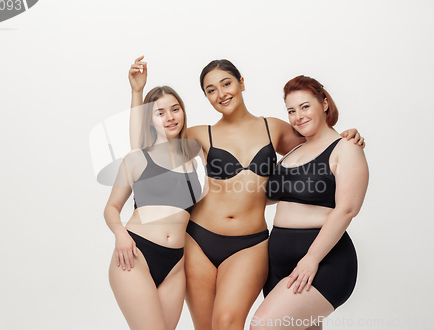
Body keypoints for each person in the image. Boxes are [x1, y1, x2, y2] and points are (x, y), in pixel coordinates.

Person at [182, 59, 365, 330]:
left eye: (226, 83)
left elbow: (323, 150)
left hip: (280, 249)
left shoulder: (280, 130)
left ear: (241, 83)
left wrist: (348, 134)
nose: (220, 93)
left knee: (246, 324)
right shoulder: (201, 134)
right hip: (222, 242)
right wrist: (137, 94)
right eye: (210, 90)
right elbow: (151, 152)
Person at [250, 75, 369, 330]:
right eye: (291, 110)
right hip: (279, 263)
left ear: (324, 103)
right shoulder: (294, 151)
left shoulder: (346, 147)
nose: (297, 116)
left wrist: (311, 258)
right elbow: (266, 196)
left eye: (305, 106)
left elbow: (347, 209)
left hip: (322, 261)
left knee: (263, 326)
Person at [104, 61, 203, 330]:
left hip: (175, 264)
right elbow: (111, 208)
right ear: (151, 119)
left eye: (175, 109)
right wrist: (121, 236)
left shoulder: (195, 159)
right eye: (160, 113)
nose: (170, 117)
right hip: (135, 254)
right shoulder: (138, 158)